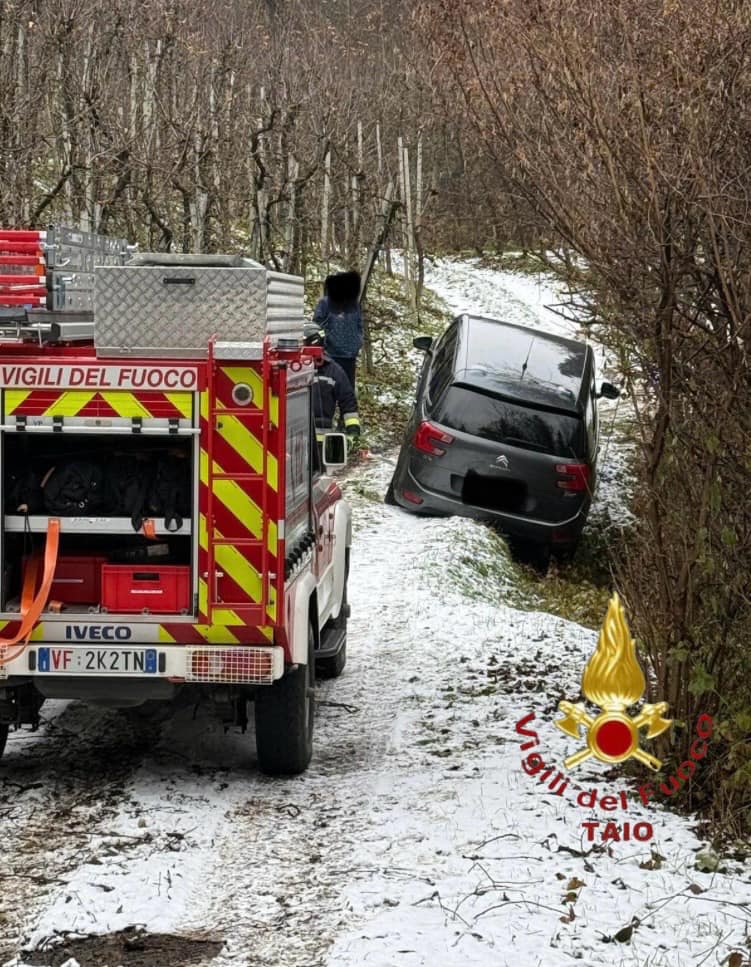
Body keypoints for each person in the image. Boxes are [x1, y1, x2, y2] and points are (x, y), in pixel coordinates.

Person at [304, 326, 361, 443]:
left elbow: (348, 401)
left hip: (322, 445)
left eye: (303, 343)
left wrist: (353, 431)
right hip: (295, 441)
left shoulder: (334, 371)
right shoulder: (293, 369)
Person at [313, 271, 363, 386]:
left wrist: (358, 342)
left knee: (347, 395)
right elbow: (316, 326)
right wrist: (325, 344)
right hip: (330, 357)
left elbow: (359, 325)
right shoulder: (325, 303)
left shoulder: (354, 304)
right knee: (328, 394)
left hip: (350, 357)